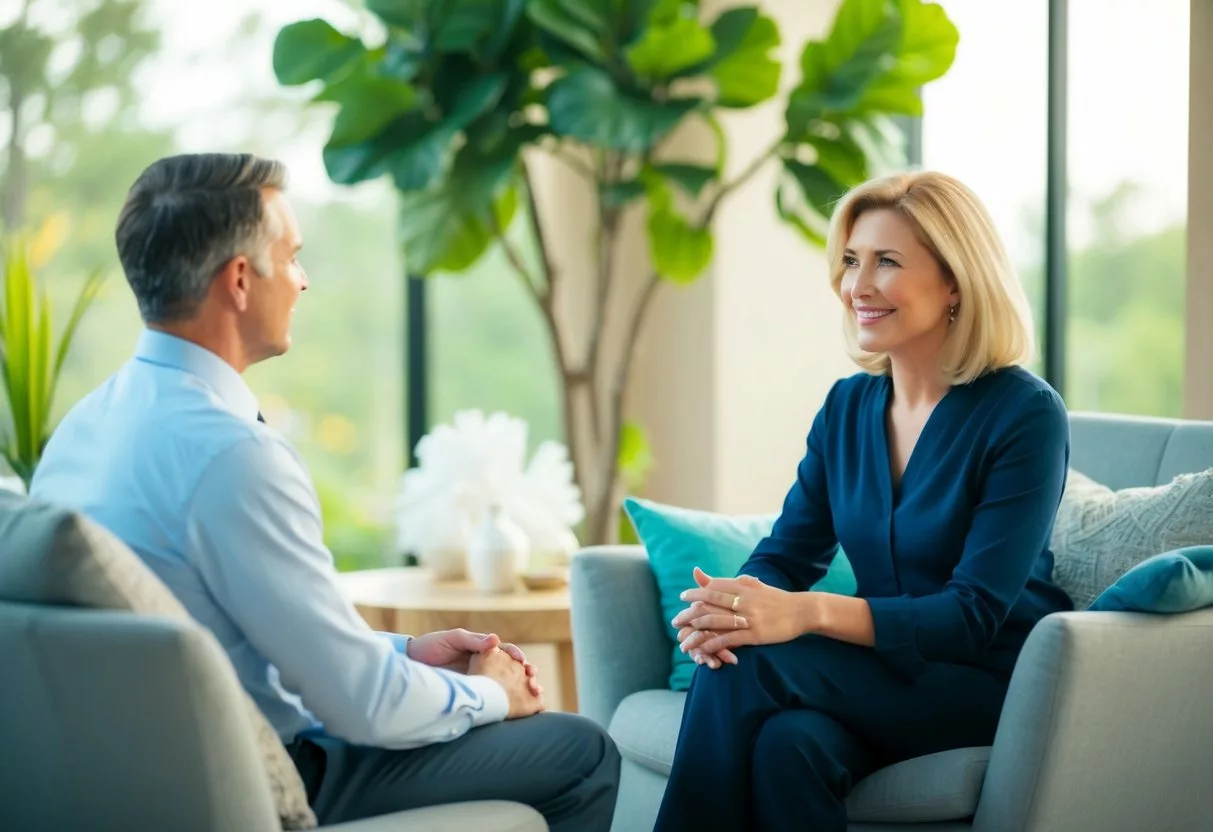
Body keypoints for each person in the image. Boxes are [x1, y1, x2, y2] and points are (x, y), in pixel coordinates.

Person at [30, 153, 620, 831]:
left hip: (129, 777)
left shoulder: (84, 429)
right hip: (253, 779)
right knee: (582, 749)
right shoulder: (233, 456)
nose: (304, 281)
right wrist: (487, 692)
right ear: (241, 280)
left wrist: (405, 651)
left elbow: (245, 640)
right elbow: (361, 707)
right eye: (293, 256)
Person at [654, 171, 1074, 831]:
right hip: (881, 676)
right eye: (851, 261)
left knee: (749, 671)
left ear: (955, 282)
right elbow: (788, 554)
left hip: (984, 684)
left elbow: (971, 616)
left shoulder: (1023, 414)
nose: (857, 285)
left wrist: (804, 614)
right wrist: (734, 608)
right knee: (786, 747)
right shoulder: (847, 407)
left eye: (886, 262)